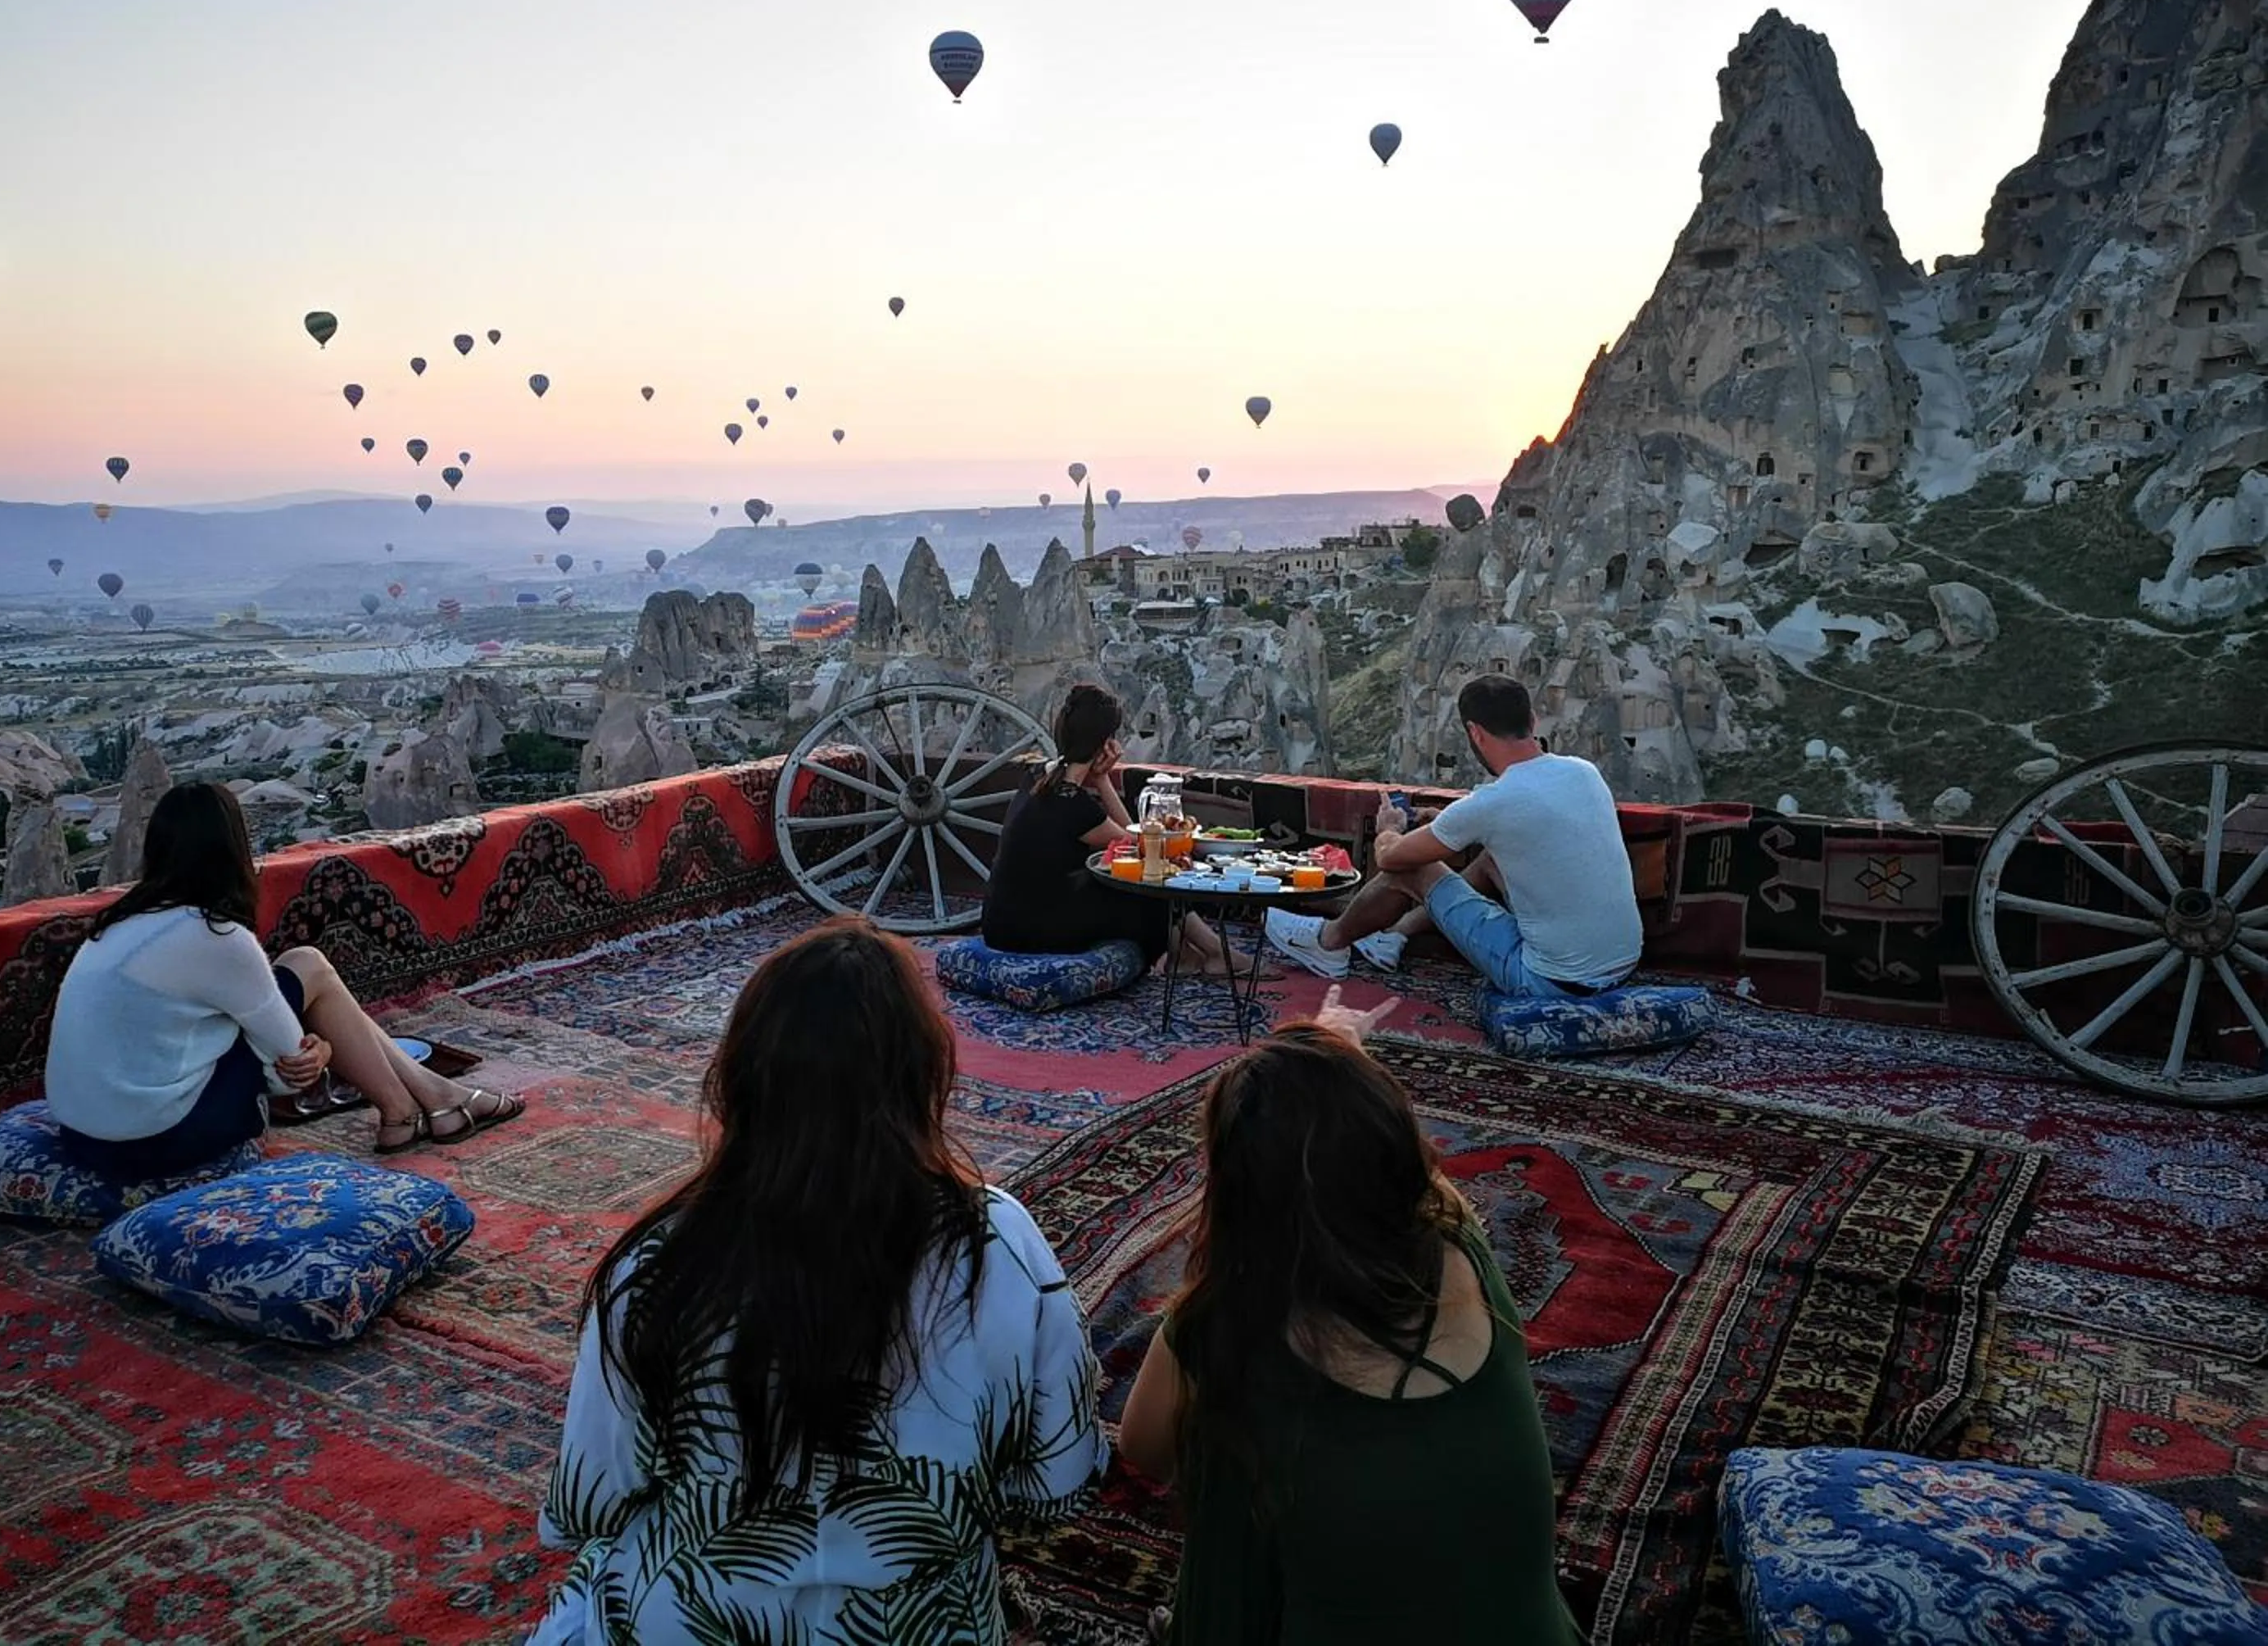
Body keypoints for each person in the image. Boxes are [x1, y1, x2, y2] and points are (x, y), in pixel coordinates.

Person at [532, 917, 1107, 1644]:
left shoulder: (657, 1265)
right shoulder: (1002, 1244)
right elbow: (1056, 1485)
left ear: (738, 1079)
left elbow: (588, 1506)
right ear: (925, 1075)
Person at [1116, 1003, 1580, 1646]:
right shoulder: (1459, 1237)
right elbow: (1385, 1161)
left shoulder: (1224, 1320)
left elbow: (1143, 1449)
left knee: (1222, 1441)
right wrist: (1343, 1058)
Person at [44, 781, 523, 1172]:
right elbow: (291, 1072)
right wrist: (324, 1051)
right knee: (310, 965)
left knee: (299, 981)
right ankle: (421, 1105)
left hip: (82, 1138)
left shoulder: (119, 924)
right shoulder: (215, 936)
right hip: (157, 1140)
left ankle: (417, 1108)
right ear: (233, 850)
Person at [1262, 674, 1641, 995]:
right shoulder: (1583, 771)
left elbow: (1392, 858)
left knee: (1416, 868)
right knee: (1493, 855)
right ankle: (1395, 935)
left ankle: (1329, 943)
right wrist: (1446, 819)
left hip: (1552, 980)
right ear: (1533, 720)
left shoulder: (1495, 801)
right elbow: (1525, 825)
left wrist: (1389, 831)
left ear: (1475, 733)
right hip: (1622, 963)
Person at [980, 682, 1236, 973]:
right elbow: (1145, 844)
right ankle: (1215, 953)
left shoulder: (1038, 777)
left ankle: (1188, 955)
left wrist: (1100, 777)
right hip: (1029, 929)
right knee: (1147, 878)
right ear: (1106, 744)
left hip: (1001, 921)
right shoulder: (1072, 804)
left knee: (1119, 881)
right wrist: (1103, 780)